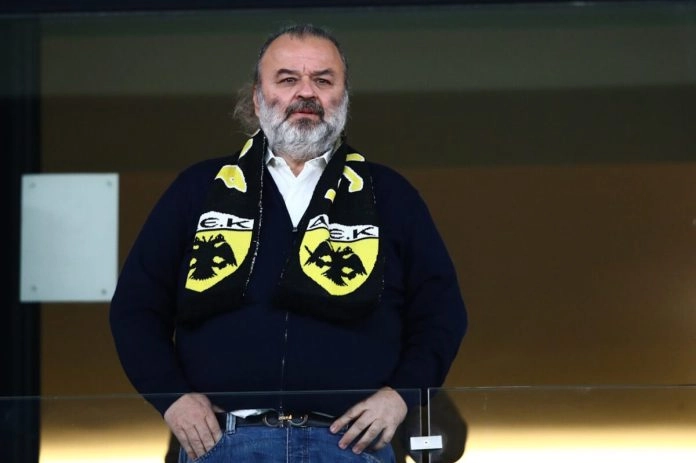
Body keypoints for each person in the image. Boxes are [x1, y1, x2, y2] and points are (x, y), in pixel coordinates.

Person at [109, 23, 467, 463]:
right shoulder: (199, 190)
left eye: (323, 80)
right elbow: (136, 308)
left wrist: (401, 395)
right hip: (225, 444)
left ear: (343, 97)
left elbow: (441, 313)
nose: (306, 92)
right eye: (287, 79)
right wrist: (172, 398)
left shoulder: (389, 195)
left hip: (349, 447)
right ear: (257, 98)